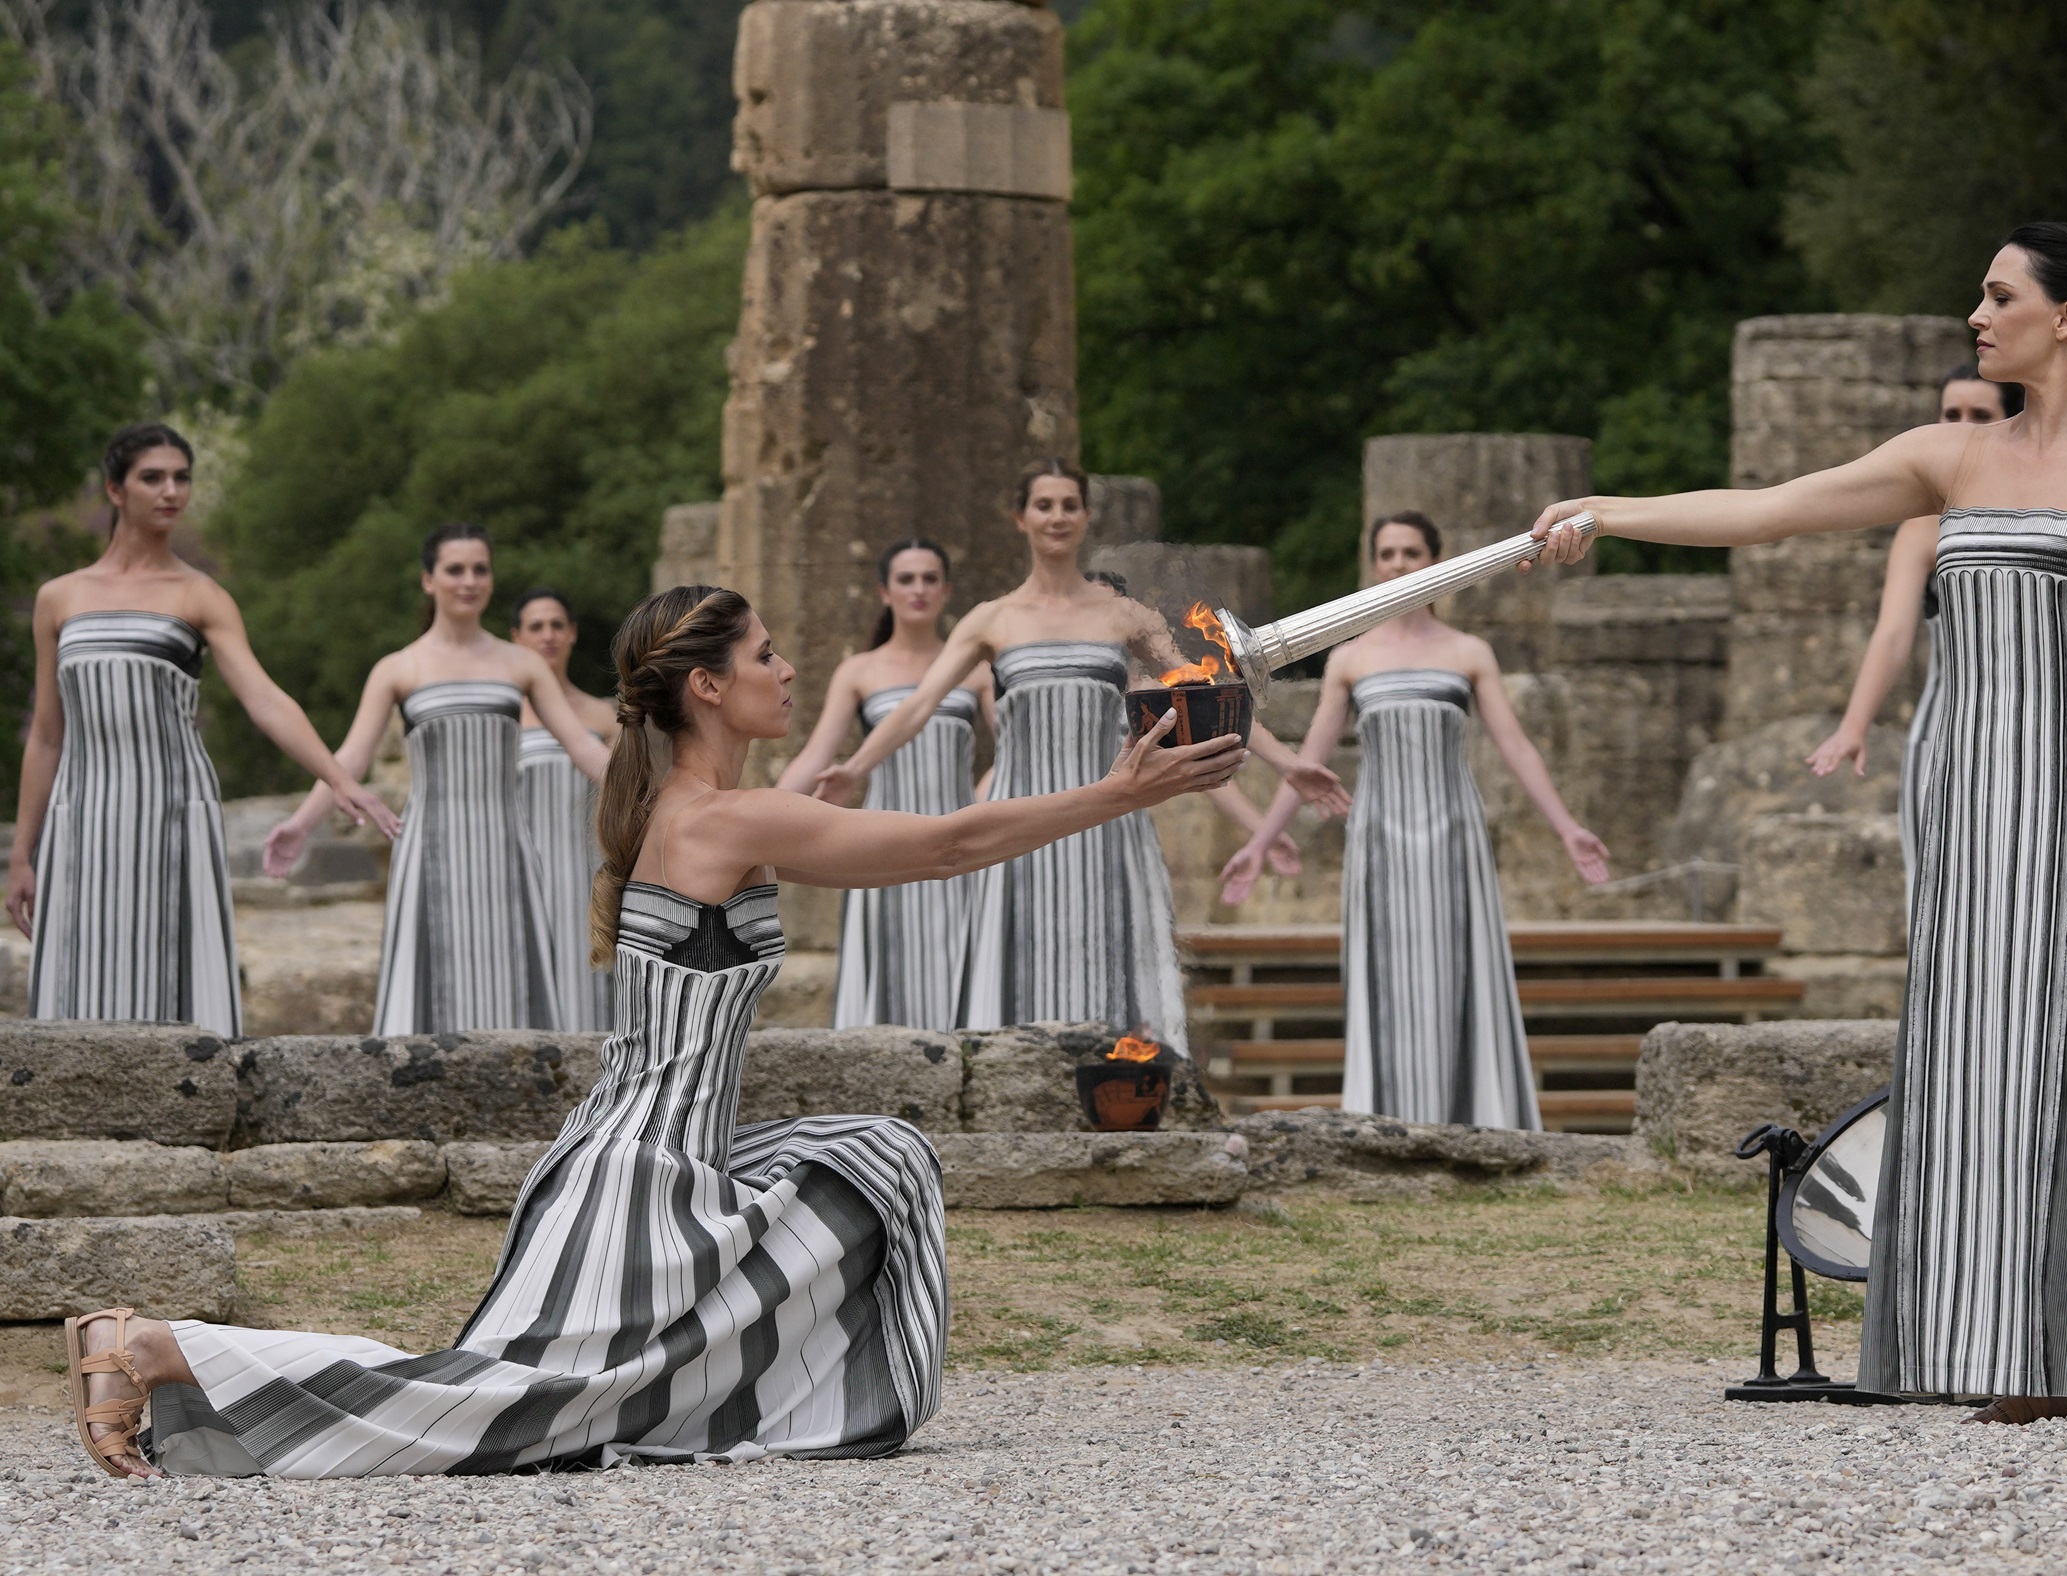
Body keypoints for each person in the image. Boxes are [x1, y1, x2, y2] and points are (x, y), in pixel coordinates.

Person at [64, 583, 1245, 1478]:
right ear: (709, 689)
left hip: (667, 1166)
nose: (789, 670)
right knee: (481, 1408)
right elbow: (943, 846)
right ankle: (158, 1346)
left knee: (882, 1156)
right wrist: (1121, 792)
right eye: (768, 657)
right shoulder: (715, 820)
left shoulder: (691, 810)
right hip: (634, 1179)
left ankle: (735, 1406)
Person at [1531, 222, 2067, 1421]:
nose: (1976, 314)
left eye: (1997, 294)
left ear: (2066, 318)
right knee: (1985, 1071)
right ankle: (2036, 1357)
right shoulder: (1947, 458)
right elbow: (1769, 511)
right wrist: (1608, 510)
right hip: (1975, 815)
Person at [814, 459, 1344, 1053]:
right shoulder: (992, 619)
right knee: (1020, 970)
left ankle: (1126, 1093)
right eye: (1044, 505)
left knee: (1110, 967)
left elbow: (1197, 693)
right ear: (1022, 518)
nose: (1058, 516)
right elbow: (916, 707)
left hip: (1110, 821)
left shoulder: (1124, 615)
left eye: (1069, 504)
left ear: (1086, 515)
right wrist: (855, 769)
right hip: (1020, 823)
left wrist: (1285, 761)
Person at [1219, 511, 1611, 1131]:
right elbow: (1310, 760)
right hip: (1379, 839)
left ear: (1435, 560)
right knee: (1387, 976)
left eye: (1411, 552)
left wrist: (1567, 828)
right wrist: (1262, 840)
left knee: (1461, 971)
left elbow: (1516, 746)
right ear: (1373, 563)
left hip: (1454, 833)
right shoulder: (1349, 658)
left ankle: (1478, 1121)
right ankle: (1386, 1121)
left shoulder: (1469, 652)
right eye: (1387, 553)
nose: (1399, 564)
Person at [6, 423, 397, 1038]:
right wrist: (23, 854)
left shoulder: (200, 595)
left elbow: (264, 700)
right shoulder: (60, 598)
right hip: (82, 813)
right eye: (152, 478)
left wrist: (338, 778)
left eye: (181, 477)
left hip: (172, 809)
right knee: (83, 969)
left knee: (168, 968)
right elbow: (48, 735)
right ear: (114, 489)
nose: (171, 491)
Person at [263, 526, 610, 1036]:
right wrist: (300, 823)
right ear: (429, 580)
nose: (468, 581)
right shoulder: (397, 668)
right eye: (455, 570)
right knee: (428, 1001)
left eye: (480, 569)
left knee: (513, 992)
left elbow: (584, 748)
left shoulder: (522, 664)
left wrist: (664, 796)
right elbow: (352, 756)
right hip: (427, 851)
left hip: (507, 852)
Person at [1805, 366, 2021, 887]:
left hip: (2049, 738)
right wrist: (1854, 726)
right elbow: (1894, 632)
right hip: (1947, 736)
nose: (1960, 425)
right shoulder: (1923, 527)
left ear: (2013, 419)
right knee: (1944, 904)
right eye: (1951, 414)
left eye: (1979, 415)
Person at [777, 539, 997, 1029]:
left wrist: (983, 796)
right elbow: (816, 753)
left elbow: (1017, 754)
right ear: (884, 591)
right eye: (906, 579)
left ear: (946, 591)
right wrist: (757, 811)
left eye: (929, 578)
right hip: (880, 846)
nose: (918, 589)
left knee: (960, 975)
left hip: (959, 845)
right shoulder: (859, 670)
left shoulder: (978, 671)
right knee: (888, 974)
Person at [512, 587, 621, 1032]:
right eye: (536, 626)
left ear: (573, 634)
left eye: (558, 625)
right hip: (522, 865)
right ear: (516, 637)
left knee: (586, 981)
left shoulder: (602, 714)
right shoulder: (503, 717)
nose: (548, 635)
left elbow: (623, 795)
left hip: (584, 867)